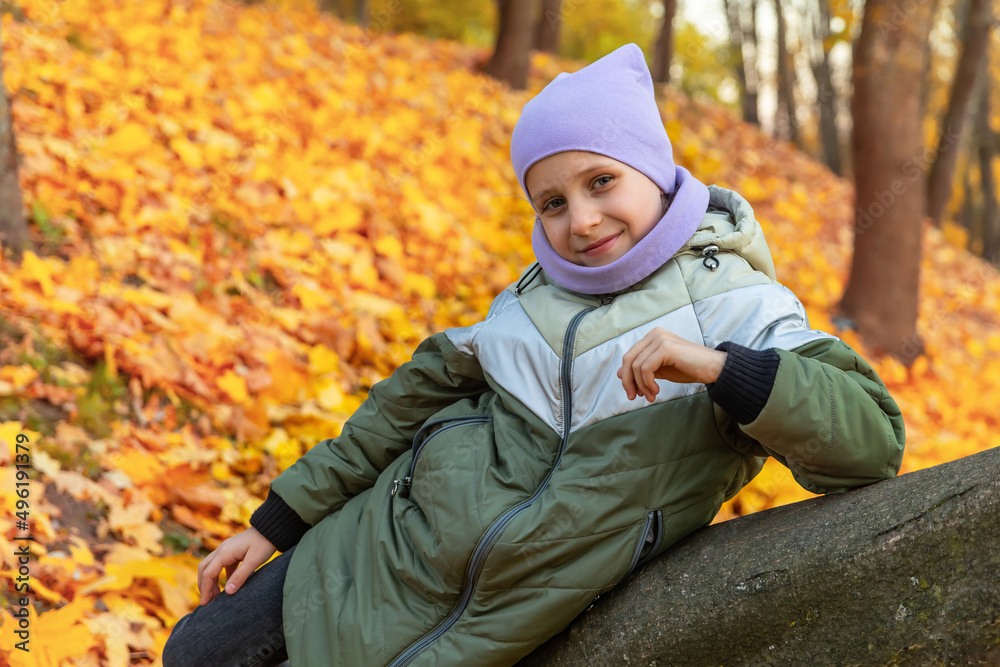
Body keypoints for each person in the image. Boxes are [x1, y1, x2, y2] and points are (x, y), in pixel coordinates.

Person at [163, 43, 905, 667]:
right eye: (551, 201)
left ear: (654, 168)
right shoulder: (528, 298)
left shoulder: (739, 306)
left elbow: (870, 442)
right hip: (356, 555)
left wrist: (722, 369)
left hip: (460, 638)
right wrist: (276, 522)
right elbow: (399, 409)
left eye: (602, 180)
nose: (581, 220)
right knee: (192, 652)